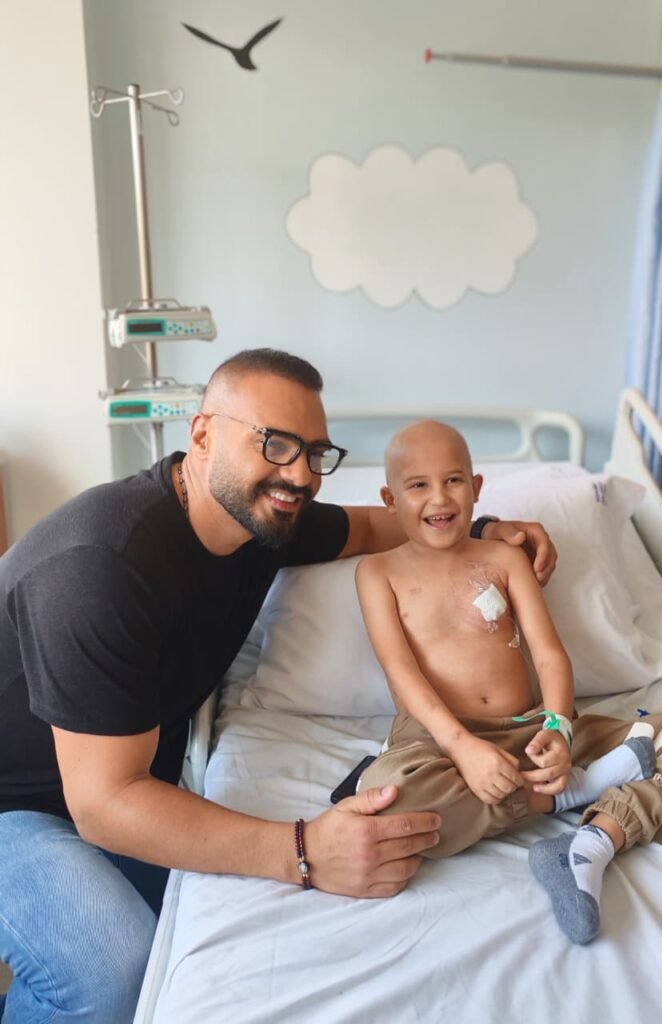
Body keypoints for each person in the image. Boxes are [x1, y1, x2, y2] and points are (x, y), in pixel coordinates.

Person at [0, 350, 558, 1024]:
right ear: (202, 434)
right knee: (112, 971)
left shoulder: (263, 520)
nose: (300, 474)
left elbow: (376, 525)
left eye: (315, 453)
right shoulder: (100, 570)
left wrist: (481, 532)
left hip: (101, 781)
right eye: (274, 443)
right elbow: (105, 803)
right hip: (18, 803)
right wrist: (303, 851)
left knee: (187, 951)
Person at [355, 419, 662, 945]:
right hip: (438, 742)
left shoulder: (504, 559)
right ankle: (574, 796)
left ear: (476, 488)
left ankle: (590, 843)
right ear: (390, 499)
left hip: (534, 733)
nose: (440, 498)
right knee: (386, 800)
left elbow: (549, 655)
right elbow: (400, 671)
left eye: (454, 480)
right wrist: (463, 749)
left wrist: (560, 728)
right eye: (418, 485)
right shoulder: (377, 573)